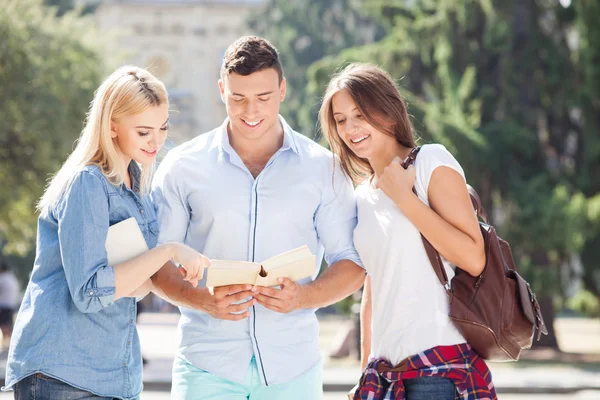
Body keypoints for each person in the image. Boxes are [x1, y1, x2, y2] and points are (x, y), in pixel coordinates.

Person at [150, 36, 366, 400]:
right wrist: (201, 299)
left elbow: (352, 262)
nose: (251, 111)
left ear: (282, 89)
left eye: (263, 98)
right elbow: (157, 263)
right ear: (221, 90)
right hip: (206, 366)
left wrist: (304, 296)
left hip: (292, 368)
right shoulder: (181, 167)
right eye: (238, 98)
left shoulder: (323, 169)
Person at [2, 66, 208, 399]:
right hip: (62, 373)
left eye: (163, 128)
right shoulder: (87, 183)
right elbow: (88, 292)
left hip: (113, 375)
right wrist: (167, 251)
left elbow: (132, 288)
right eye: (144, 132)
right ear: (112, 127)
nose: (157, 141)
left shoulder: (138, 192)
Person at [319, 63, 497, 400]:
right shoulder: (362, 196)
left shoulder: (430, 162)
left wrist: (404, 197)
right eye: (341, 120)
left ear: (387, 113)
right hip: (386, 374)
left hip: (439, 371)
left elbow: (474, 258)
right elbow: (373, 288)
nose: (350, 128)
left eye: (360, 114)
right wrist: (365, 373)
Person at [0, 262, 19, 350]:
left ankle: (6, 346)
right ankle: (10, 345)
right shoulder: (13, 278)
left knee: (4, 326)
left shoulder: (2, 278)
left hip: (3, 305)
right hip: (11, 305)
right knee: (8, 325)